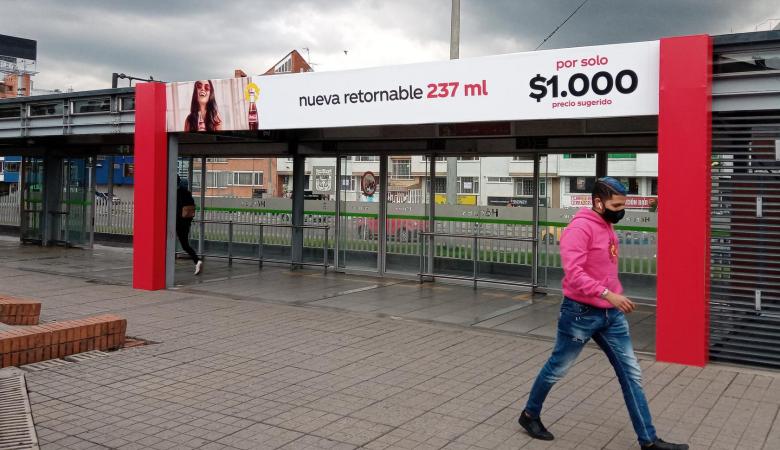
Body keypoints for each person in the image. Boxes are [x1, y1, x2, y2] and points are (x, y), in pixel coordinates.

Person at [518, 177, 688, 450]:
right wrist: (608, 294)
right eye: (616, 205)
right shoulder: (579, 228)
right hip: (580, 314)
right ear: (598, 202)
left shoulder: (606, 225)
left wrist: (613, 295)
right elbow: (574, 274)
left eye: (623, 205)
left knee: (631, 374)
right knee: (557, 368)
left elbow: (604, 268)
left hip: (611, 316)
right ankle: (529, 415)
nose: (621, 210)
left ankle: (649, 441)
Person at [176, 176, 202, 275]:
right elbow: (191, 208)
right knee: (185, 244)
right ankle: (197, 260)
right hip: (186, 223)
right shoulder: (187, 193)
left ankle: (164, 263)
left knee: (164, 243)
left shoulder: (174, 193)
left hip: (176, 222)